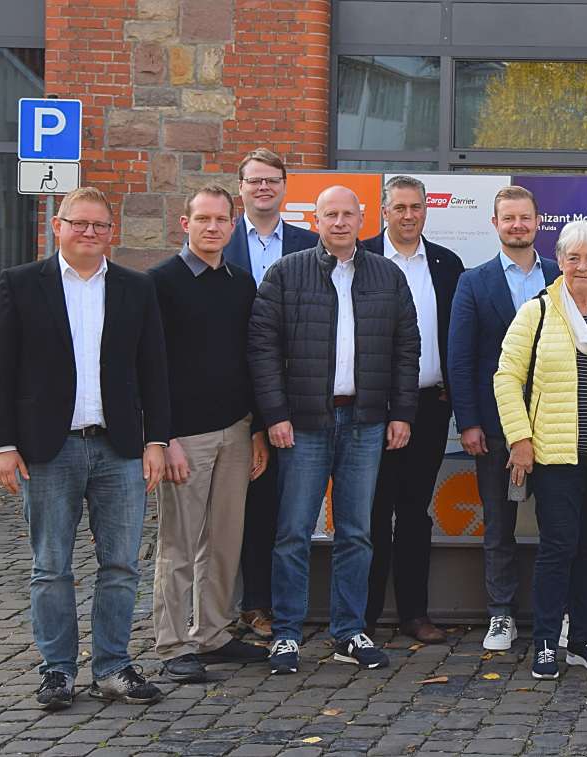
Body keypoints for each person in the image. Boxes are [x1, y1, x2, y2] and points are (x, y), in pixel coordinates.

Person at [0, 186, 171, 708]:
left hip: (119, 448)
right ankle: (58, 671)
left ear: (111, 232)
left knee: (122, 566)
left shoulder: (136, 287)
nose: (89, 232)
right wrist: (3, 445)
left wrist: (156, 440)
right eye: (79, 223)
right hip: (49, 450)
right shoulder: (21, 284)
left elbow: (154, 370)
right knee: (51, 567)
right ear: (57, 226)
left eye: (99, 225)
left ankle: (112, 667)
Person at [248, 186, 420, 675]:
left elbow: (407, 349)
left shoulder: (387, 275)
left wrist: (402, 413)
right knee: (292, 532)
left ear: (362, 218)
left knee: (357, 533)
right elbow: (262, 349)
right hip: (302, 424)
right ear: (316, 220)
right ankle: (286, 634)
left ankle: (349, 631)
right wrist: (274, 415)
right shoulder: (286, 273)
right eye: (330, 214)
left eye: (348, 214)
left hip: (366, 422)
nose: (340, 222)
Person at [494, 220, 587, 679]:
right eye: (573, 257)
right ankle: (545, 642)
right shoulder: (537, 313)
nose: (583, 266)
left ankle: (582, 638)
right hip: (555, 456)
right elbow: (506, 377)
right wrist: (520, 439)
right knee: (558, 547)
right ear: (559, 261)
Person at [149, 185, 271, 684]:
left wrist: (257, 429)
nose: (213, 227)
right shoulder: (160, 283)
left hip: (236, 430)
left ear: (232, 225)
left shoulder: (242, 283)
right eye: (203, 219)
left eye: (221, 220)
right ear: (185, 223)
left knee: (224, 540)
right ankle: (173, 643)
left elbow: (252, 358)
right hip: (185, 437)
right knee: (178, 544)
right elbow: (149, 366)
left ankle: (214, 633)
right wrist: (163, 437)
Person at [448, 185, 560, 651]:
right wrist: (468, 422)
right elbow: (460, 357)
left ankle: (558, 613)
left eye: (525, 217)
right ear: (495, 224)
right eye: (508, 218)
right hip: (493, 427)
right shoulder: (474, 282)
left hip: (556, 424)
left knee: (558, 526)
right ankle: (501, 613)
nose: (517, 225)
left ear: (539, 222)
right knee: (498, 525)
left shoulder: (560, 275)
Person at [360, 176, 465, 644]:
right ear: (383, 211)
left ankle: (414, 614)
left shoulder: (447, 264)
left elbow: (457, 335)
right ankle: (362, 617)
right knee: (370, 512)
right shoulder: (359, 257)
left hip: (428, 405)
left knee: (414, 511)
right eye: (399, 207)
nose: (408, 215)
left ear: (426, 210)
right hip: (371, 406)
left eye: (416, 207)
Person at [223, 147, 319, 640]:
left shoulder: (309, 243)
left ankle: (275, 605)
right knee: (241, 504)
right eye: (254, 180)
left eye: (272, 180)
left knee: (284, 505)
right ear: (240, 187)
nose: (263, 188)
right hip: (233, 392)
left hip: (297, 391)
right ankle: (241, 603)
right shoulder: (220, 241)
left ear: (285, 187)